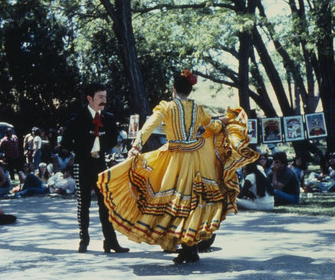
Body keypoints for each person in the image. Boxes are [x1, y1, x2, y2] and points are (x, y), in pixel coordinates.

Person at [96, 70, 258, 263]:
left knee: (177, 200)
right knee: (193, 201)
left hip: (175, 158)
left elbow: (148, 126)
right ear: (189, 91)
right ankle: (190, 247)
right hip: (196, 157)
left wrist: (136, 146)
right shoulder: (197, 108)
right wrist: (228, 119)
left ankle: (188, 248)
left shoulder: (167, 107)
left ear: (174, 89)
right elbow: (212, 126)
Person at [61, 82, 129, 254]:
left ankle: (110, 241)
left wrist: (102, 149)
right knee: (83, 203)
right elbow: (66, 142)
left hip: (101, 165)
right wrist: (84, 151)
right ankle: (84, 240)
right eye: (100, 97)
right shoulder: (77, 118)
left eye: (105, 97)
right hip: (82, 164)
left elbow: (114, 139)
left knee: (105, 204)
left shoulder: (109, 118)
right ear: (90, 98)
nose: (103, 101)